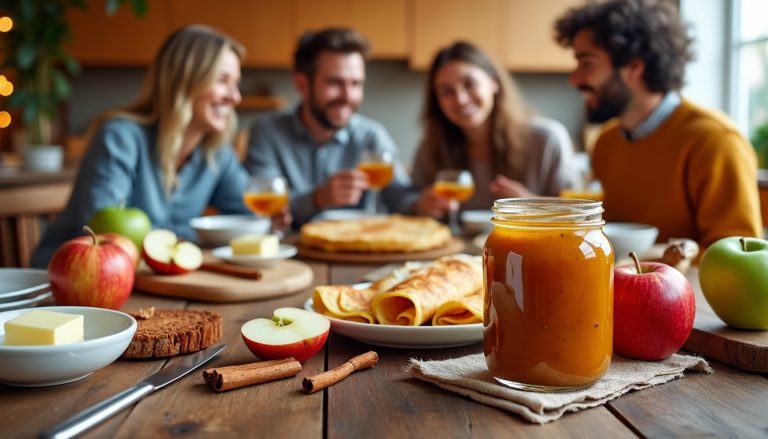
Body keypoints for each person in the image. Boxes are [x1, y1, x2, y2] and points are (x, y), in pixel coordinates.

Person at [31, 25, 250, 268]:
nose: (235, 97)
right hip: (64, 278)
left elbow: (252, 214)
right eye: (222, 80)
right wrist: (197, 237)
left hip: (149, 280)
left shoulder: (217, 153)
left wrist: (273, 218)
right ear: (183, 82)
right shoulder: (120, 137)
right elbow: (105, 236)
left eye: (236, 83)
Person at [554, 0, 762, 249]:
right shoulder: (606, 142)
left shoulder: (716, 141)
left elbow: (740, 251)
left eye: (586, 62)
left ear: (634, 67)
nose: (574, 79)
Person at [244, 27, 415, 228]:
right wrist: (316, 199)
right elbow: (263, 209)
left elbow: (400, 198)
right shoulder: (267, 133)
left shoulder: (372, 135)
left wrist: (420, 203)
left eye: (356, 84)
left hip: (359, 243)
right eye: (335, 83)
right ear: (302, 84)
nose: (348, 96)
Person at [411, 41, 578, 218]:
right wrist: (418, 205)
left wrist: (532, 206)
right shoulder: (432, 148)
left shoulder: (547, 139)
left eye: (470, 84)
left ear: (493, 82)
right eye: (446, 91)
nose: (460, 99)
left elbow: (578, 214)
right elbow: (406, 197)